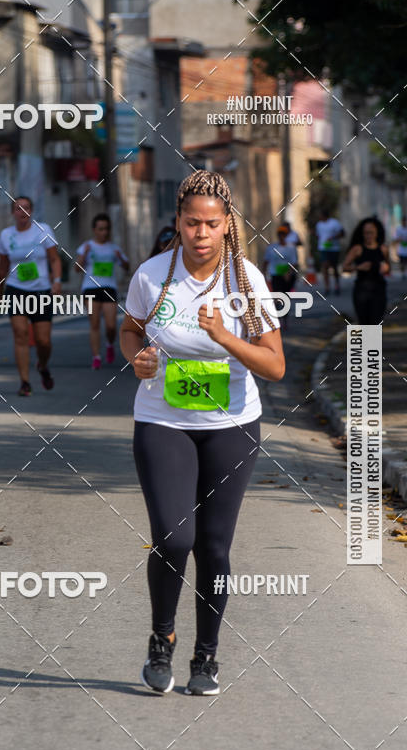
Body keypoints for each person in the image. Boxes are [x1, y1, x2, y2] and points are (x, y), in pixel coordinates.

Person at [120, 170, 285, 697]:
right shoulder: (151, 275)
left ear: (227, 224)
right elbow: (128, 330)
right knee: (175, 537)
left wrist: (222, 336)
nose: (202, 233)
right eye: (192, 222)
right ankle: (161, 638)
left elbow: (275, 365)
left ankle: (206, 657)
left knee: (214, 547)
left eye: (212, 223)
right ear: (178, 222)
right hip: (162, 420)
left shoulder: (247, 283)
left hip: (231, 426)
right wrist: (138, 359)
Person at [0, 196, 62, 396]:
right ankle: (24, 382)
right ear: (12, 213)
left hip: (41, 290)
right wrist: (0, 293)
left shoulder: (43, 230)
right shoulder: (6, 235)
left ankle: (42, 365)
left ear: (31, 211)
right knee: (20, 335)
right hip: (16, 289)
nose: (22, 212)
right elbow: (3, 266)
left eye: (26, 208)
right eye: (18, 208)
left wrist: (57, 281)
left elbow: (54, 258)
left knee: (43, 341)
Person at [76, 214, 129, 369]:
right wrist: (84, 254)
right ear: (94, 230)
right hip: (90, 287)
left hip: (109, 288)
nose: (103, 232)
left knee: (111, 326)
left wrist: (122, 259)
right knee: (94, 324)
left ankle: (110, 344)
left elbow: (126, 267)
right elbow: (77, 269)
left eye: (106, 229)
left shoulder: (114, 248)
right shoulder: (86, 246)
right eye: (100, 229)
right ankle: (96, 357)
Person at [343, 217, 390, 324]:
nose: (369, 236)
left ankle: (372, 341)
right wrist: (358, 267)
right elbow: (345, 267)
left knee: (375, 323)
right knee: (363, 323)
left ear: (377, 233)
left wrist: (386, 268)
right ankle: (365, 341)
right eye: (366, 233)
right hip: (361, 290)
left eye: (371, 233)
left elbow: (388, 268)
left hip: (379, 290)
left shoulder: (383, 249)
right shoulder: (357, 249)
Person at [262, 225, 299, 330]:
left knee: (285, 298)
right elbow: (265, 262)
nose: (281, 236)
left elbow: (294, 263)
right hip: (276, 275)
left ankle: (285, 319)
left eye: (283, 234)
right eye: (280, 234)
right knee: (277, 297)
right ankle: (277, 319)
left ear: (286, 235)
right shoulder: (271, 248)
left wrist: (289, 272)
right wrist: (263, 274)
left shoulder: (291, 247)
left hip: (287, 276)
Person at [315, 209, 344, 295]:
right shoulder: (319, 224)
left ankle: (337, 285)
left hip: (334, 248)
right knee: (325, 266)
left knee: (334, 267)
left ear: (325, 216)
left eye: (320, 215)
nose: (319, 217)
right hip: (323, 248)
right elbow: (318, 235)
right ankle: (327, 287)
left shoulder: (334, 223)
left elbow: (342, 233)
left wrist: (333, 238)